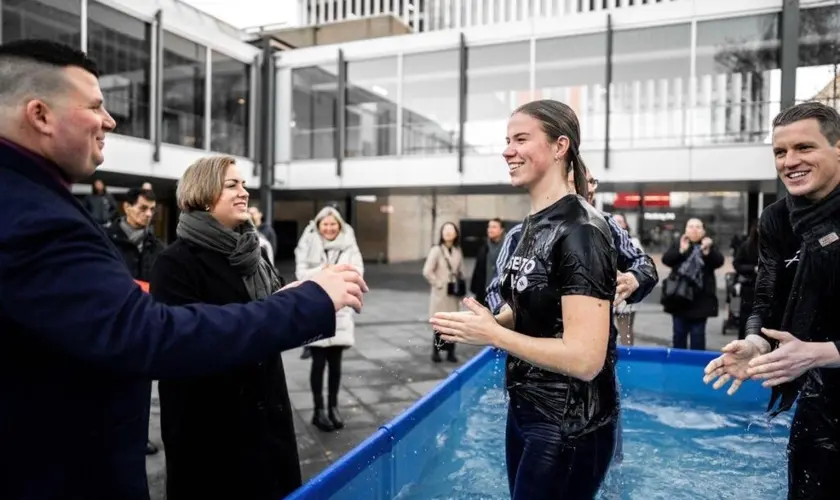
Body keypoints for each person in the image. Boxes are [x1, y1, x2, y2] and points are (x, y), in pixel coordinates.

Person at [0, 39, 367, 499]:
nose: (110, 120)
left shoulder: (39, 203)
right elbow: (153, 337)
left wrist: (287, 299)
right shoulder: (33, 216)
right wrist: (306, 300)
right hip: (186, 447)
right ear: (40, 115)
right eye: (95, 105)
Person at [431, 99, 618, 499]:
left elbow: (586, 360)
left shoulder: (582, 231)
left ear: (559, 146)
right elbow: (530, 309)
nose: (507, 150)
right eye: (506, 140)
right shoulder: (531, 226)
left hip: (569, 424)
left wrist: (495, 336)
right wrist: (486, 325)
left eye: (520, 139)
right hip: (527, 412)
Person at [704, 102, 840, 499]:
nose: (790, 161)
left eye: (804, 148)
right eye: (780, 152)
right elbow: (765, 294)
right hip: (823, 394)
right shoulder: (777, 219)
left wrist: (822, 352)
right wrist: (756, 341)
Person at [148, 156, 304, 499]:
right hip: (212, 430)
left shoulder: (253, 253)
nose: (244, 192)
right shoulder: (174, 263)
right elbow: (189, 344)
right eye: (232, 185)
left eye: (244, 184)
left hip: (267, 416)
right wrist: (282, 307)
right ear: (203, 195)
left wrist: (294, 300)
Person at [295, 206, 364, 432]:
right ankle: (318, 410)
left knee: (335, 363)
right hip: (316, 307)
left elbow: (357, 271)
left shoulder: (349, 243)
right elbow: (301, 272)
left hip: (340, 310)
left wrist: (336, 278)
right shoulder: (308, 241)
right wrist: (323, 270)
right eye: (324, 224)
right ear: (318, 225)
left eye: (333, 224)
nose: (329, 228)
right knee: (318, 362)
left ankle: (333, 407)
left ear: (340, 225)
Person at [660, 218, 725, 350]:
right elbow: (666, 260)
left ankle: (696, 368)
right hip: (679, 297)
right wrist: (681, 251)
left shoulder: (707, 245)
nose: (694, 230)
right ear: (685, 230)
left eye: (698, 227)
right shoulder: (680, 244)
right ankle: (678, 367)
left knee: (698, 337)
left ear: (704, 231)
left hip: (701, 300)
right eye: (690, 226)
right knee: (679, 335)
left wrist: (708, 252)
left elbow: (719, 262)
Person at [423, 221, 466, 363]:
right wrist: (439, 283)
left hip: (453, 293)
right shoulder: (436, 250)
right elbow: (427, 271)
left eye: (451, 230)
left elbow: (461, 270)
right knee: (440, 325)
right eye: (445, 230)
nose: (448, 232)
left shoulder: (458, 250)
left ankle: (451, 353)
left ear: (455, 234)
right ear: (441, 233)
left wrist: (461, 288)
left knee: (453, 325)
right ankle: (436, 352)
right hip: (440, 294)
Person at [732, 221, 759, 340]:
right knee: (746, 320)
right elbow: (737, 264)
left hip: (770, 288)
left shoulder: (776, 244)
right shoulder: (747, 245)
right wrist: (753, 268)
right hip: (750, 287)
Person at [469, 218, 505, 306]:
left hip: (502, 293)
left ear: (501, 230)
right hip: (485, 292)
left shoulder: (509, 247)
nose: (490, 230)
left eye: (494, 227)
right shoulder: (483, 248)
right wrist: (474, 287)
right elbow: (477, 269)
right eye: (489, 227)